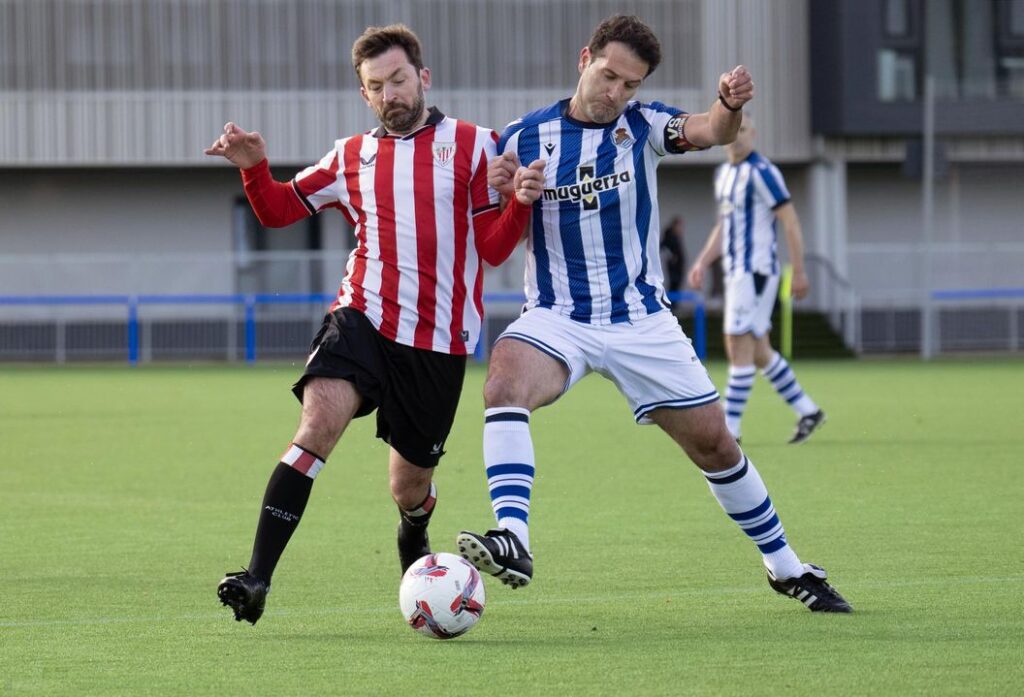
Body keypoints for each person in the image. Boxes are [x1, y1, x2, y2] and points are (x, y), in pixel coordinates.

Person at [456, 15, 850, 612]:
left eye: (629, 84)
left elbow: (710, 130)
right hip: (558, 314)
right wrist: (505, 191)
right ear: (585, 58)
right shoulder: (521, 138)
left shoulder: (641, 127)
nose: (616, 92)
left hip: (641, 320)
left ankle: (786, 567)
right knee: (504, 384)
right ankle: (514, 537)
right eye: (608, 75)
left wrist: (727, 103)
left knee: (717, 446)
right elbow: (491, 234)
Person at [204, 24, 545, 625]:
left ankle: (414, 527)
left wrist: (517, 202)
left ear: (423, 78)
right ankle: (256, 576)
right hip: (360, 317)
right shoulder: (349, 156)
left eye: (399, 80)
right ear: (365, 95)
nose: (391, 94)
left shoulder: (476, 146)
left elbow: (492, 250)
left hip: (438, 342)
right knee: (318, 423)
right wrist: (255, 168)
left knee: (408, 485)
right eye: (376, 86)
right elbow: (281, 209)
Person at [687, 116, 825, 445]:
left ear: (754, 134)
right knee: (759, 350)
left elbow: (790, 222)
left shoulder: (763, 172)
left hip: (756, 271)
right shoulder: (724, 175)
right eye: (733, 132)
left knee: (738, 345)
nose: (736, 138)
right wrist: (704, 261)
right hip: (736, 271)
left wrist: (800, 270)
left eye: (744, 131)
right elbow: (725, 226)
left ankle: (729, 428)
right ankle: (808, 411)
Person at [659, 216, 686, 309]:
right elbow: (662, 246)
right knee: (673, 285)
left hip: (678, 267)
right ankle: (671, 306)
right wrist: (670, 256)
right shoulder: (669, 236)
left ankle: (674, 306)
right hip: (673, 268)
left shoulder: (677, 237)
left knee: (677, 286)